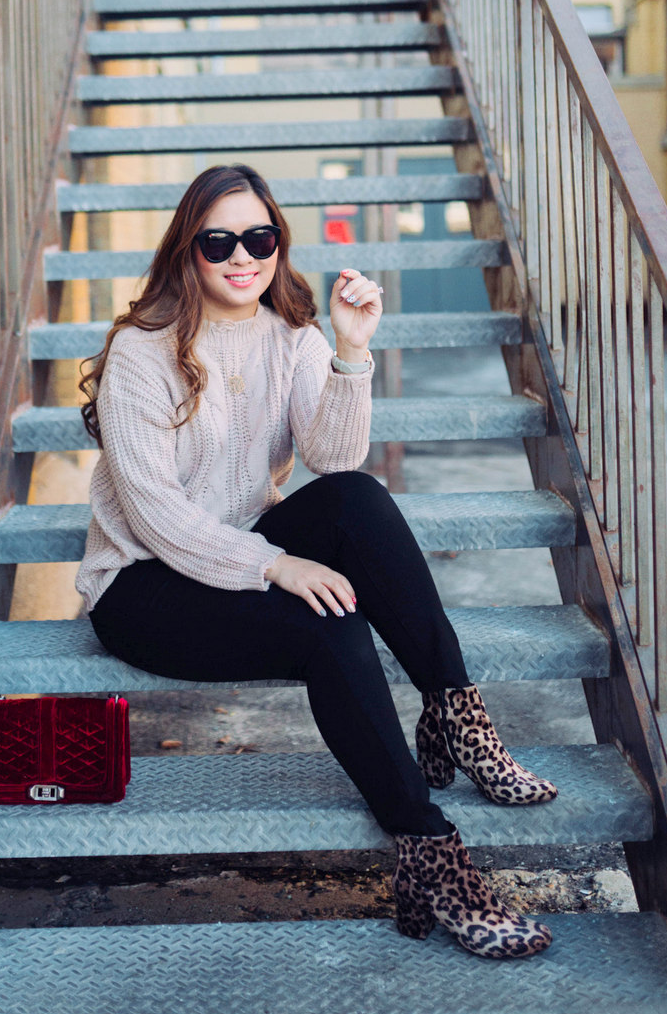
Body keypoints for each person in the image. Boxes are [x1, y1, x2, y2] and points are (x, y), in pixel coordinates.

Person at [77, 164, 556, 959]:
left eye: (258, 238)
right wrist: (275, 565)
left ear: (277, 242)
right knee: (327, 623)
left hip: (241, 550)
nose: (242, 257)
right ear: (186, 251)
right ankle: (428, 850)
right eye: (218, 241)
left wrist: (348, 353)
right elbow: (157, 518)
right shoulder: (141, 352)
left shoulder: (288, 334)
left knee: (357, 499)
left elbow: (333, 456)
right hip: (143, 585)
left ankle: (454, 715)